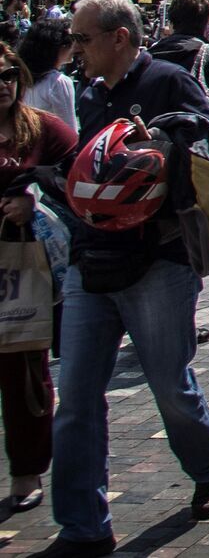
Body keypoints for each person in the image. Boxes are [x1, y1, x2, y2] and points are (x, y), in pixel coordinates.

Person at [47, 0, 209, 555]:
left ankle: (207, 470)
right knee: (76, 395)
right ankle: (83, 526)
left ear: (118, 38)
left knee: (170, 384)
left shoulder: (169, 82)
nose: (75, 50)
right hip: (91, 259)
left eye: (83, 39)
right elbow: (70, 164)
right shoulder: (82, 93)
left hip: (157, 262)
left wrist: (168, 141)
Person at [0, 42, 77, 517]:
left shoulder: (41, 129)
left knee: (24, 373)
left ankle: (27, 471)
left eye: (8, 74)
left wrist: (34, 200)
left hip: (23, 268)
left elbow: (77, 180)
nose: (3, 84)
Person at [146, 0, 209, 115]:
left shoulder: (152, 53)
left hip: (154, 126)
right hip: (194, 127)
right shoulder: (206, 54)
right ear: (206, 21)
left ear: (172, 20)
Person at [17, 22, 75, 131]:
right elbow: (69, 129)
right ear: (54, 47)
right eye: (69, 41)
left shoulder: (22, 78)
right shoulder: (59, 82)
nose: (75, 46)